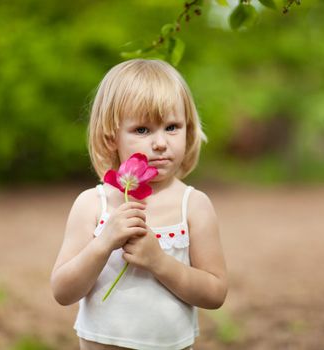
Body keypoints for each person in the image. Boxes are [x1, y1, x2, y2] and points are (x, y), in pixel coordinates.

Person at [50, 59, 228, 350]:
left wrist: (160, 263)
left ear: (189, 129)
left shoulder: (194, 205)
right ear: (111, 137)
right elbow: (62, 291)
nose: (160, 143)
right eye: (143, 130)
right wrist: (103, 243)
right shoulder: (93, 205)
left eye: (172, 127)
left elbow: (215, 293)